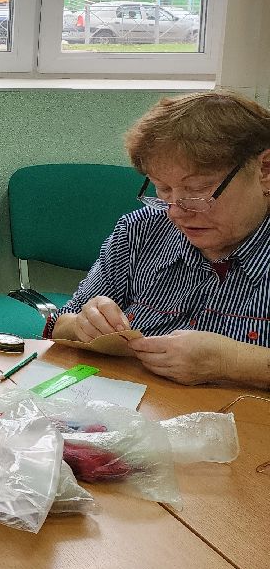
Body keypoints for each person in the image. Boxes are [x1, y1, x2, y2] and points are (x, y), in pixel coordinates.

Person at [52, 91, 270, 387]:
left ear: (264, 170)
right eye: (163, 190)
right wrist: (84, 324)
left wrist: (233, 362)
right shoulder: (139, 232)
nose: (176, 212)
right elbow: (60, 324)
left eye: (197, 190)